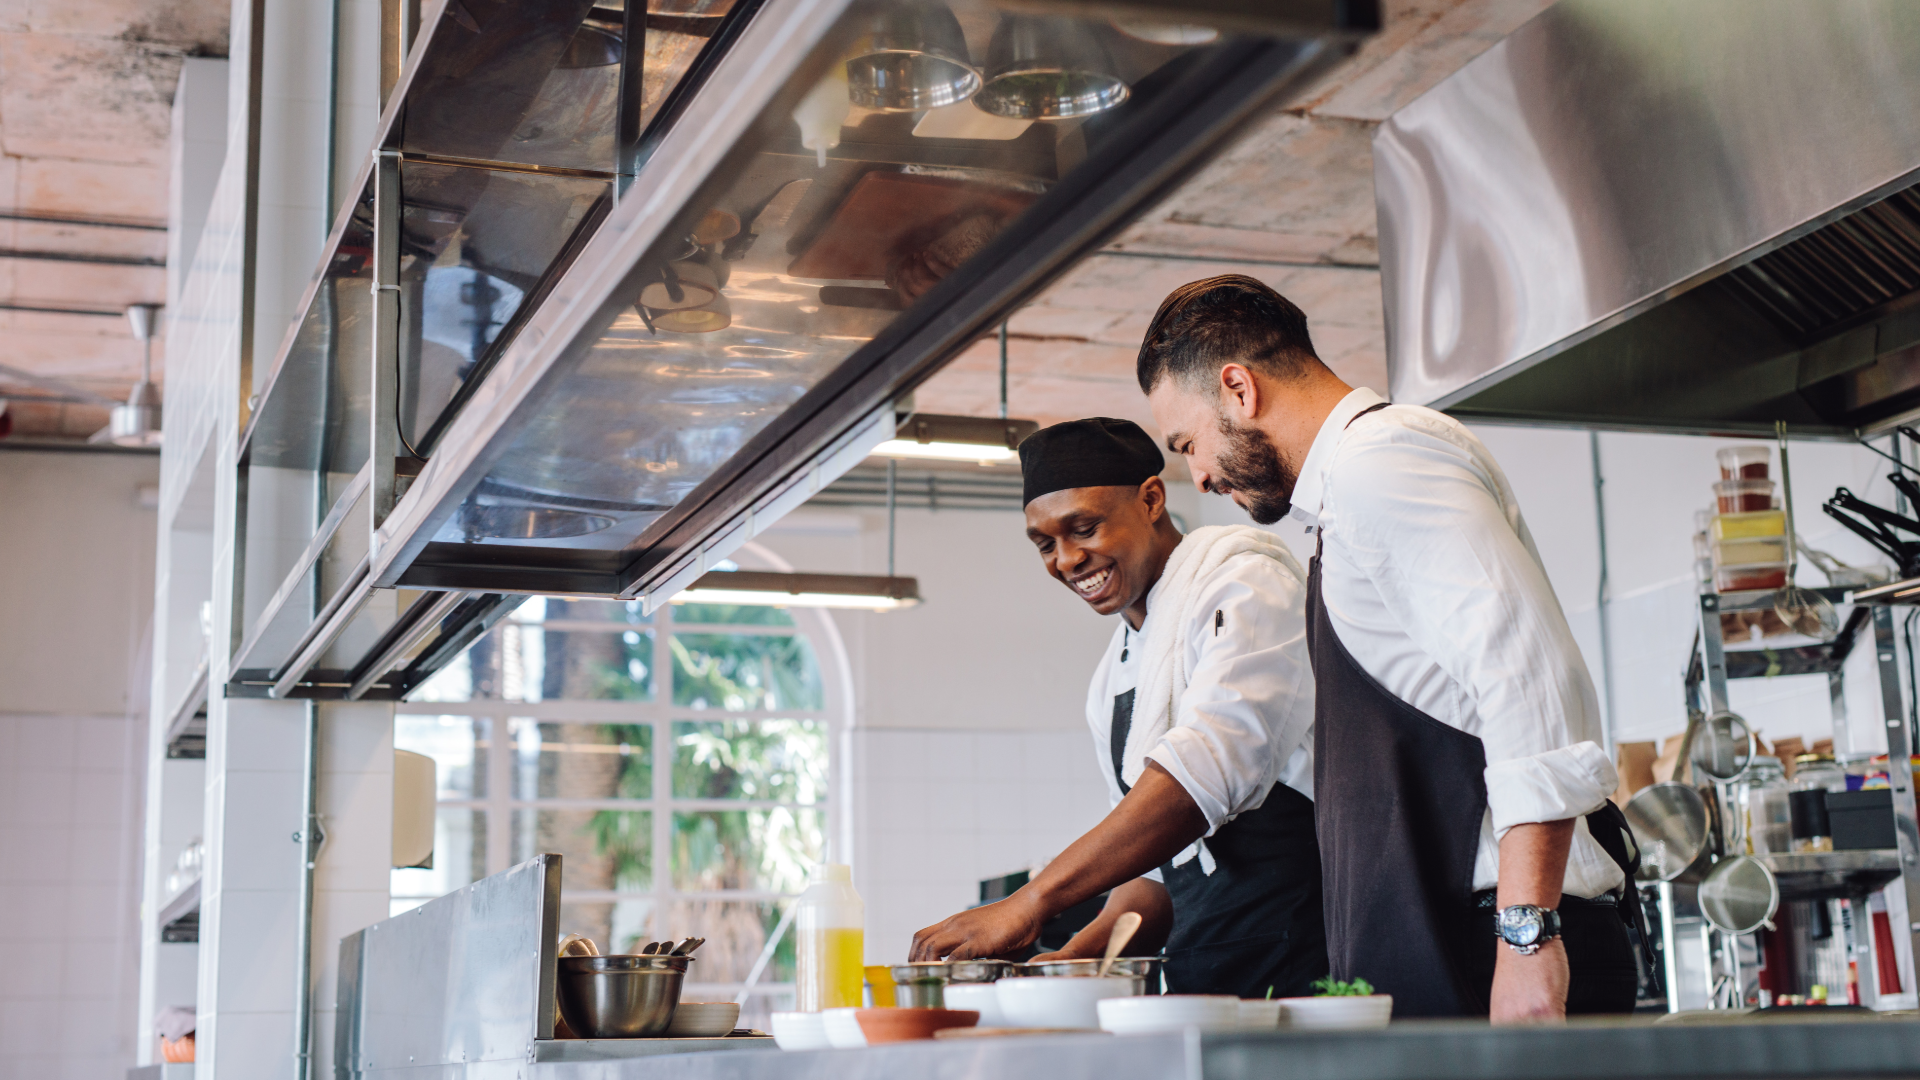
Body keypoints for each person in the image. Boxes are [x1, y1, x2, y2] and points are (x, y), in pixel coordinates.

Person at [1138, 275, 1639, 1022]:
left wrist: (1526, 937)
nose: (1200, 475)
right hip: (1448, 945)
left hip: (1492, 947)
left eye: (1188, 443)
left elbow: (1531, 680)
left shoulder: (1381, 464)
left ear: (1239, 389)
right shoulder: (1347, 496)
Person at [908, 418, 1328, 998]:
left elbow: (1201, 778)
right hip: (1202, 980)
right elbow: (1152, 876)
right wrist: (1074, 961)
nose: (1067, 560)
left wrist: (1029, 902)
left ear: (1151, 499)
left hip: (1306, 965)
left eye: (1084, 528)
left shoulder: (1248, 587)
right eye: (1045, 545)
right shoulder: (1113, 676)